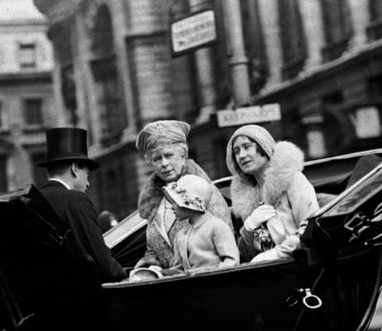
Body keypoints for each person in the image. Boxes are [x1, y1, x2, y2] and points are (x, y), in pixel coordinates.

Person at [130, 119, 230, 278]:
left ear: (183, 155)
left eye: (169, 155)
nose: (164, 163)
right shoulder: (154, 203)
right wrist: (151, 264)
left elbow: (224, 244)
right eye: (157, 158)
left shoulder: (205, 194)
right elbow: (154, 248)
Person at [38, 127, 126, 282]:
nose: (88, 183)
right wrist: (128, 274)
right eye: (87, 174)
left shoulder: (32, 200)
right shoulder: (76, 201)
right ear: (74, 169)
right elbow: (104, 266)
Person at [226, 124, 318, 263]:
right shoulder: (245, 198)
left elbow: (312, 229)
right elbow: (246, 256)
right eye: (237, 151)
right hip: (268, 273)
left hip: (302, 266)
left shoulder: (292, 180)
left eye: (247, 147)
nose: (242, 156)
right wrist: (248, 229)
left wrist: (277, 253)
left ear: (264, 147)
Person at [164, 174, 238, 273]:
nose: (172, 207)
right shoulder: (180, 234)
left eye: (175, 202)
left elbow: (232, 261)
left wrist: (207, 273)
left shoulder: (217, 226)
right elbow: (180, 268)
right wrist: (161, 273)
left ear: (190, 203)